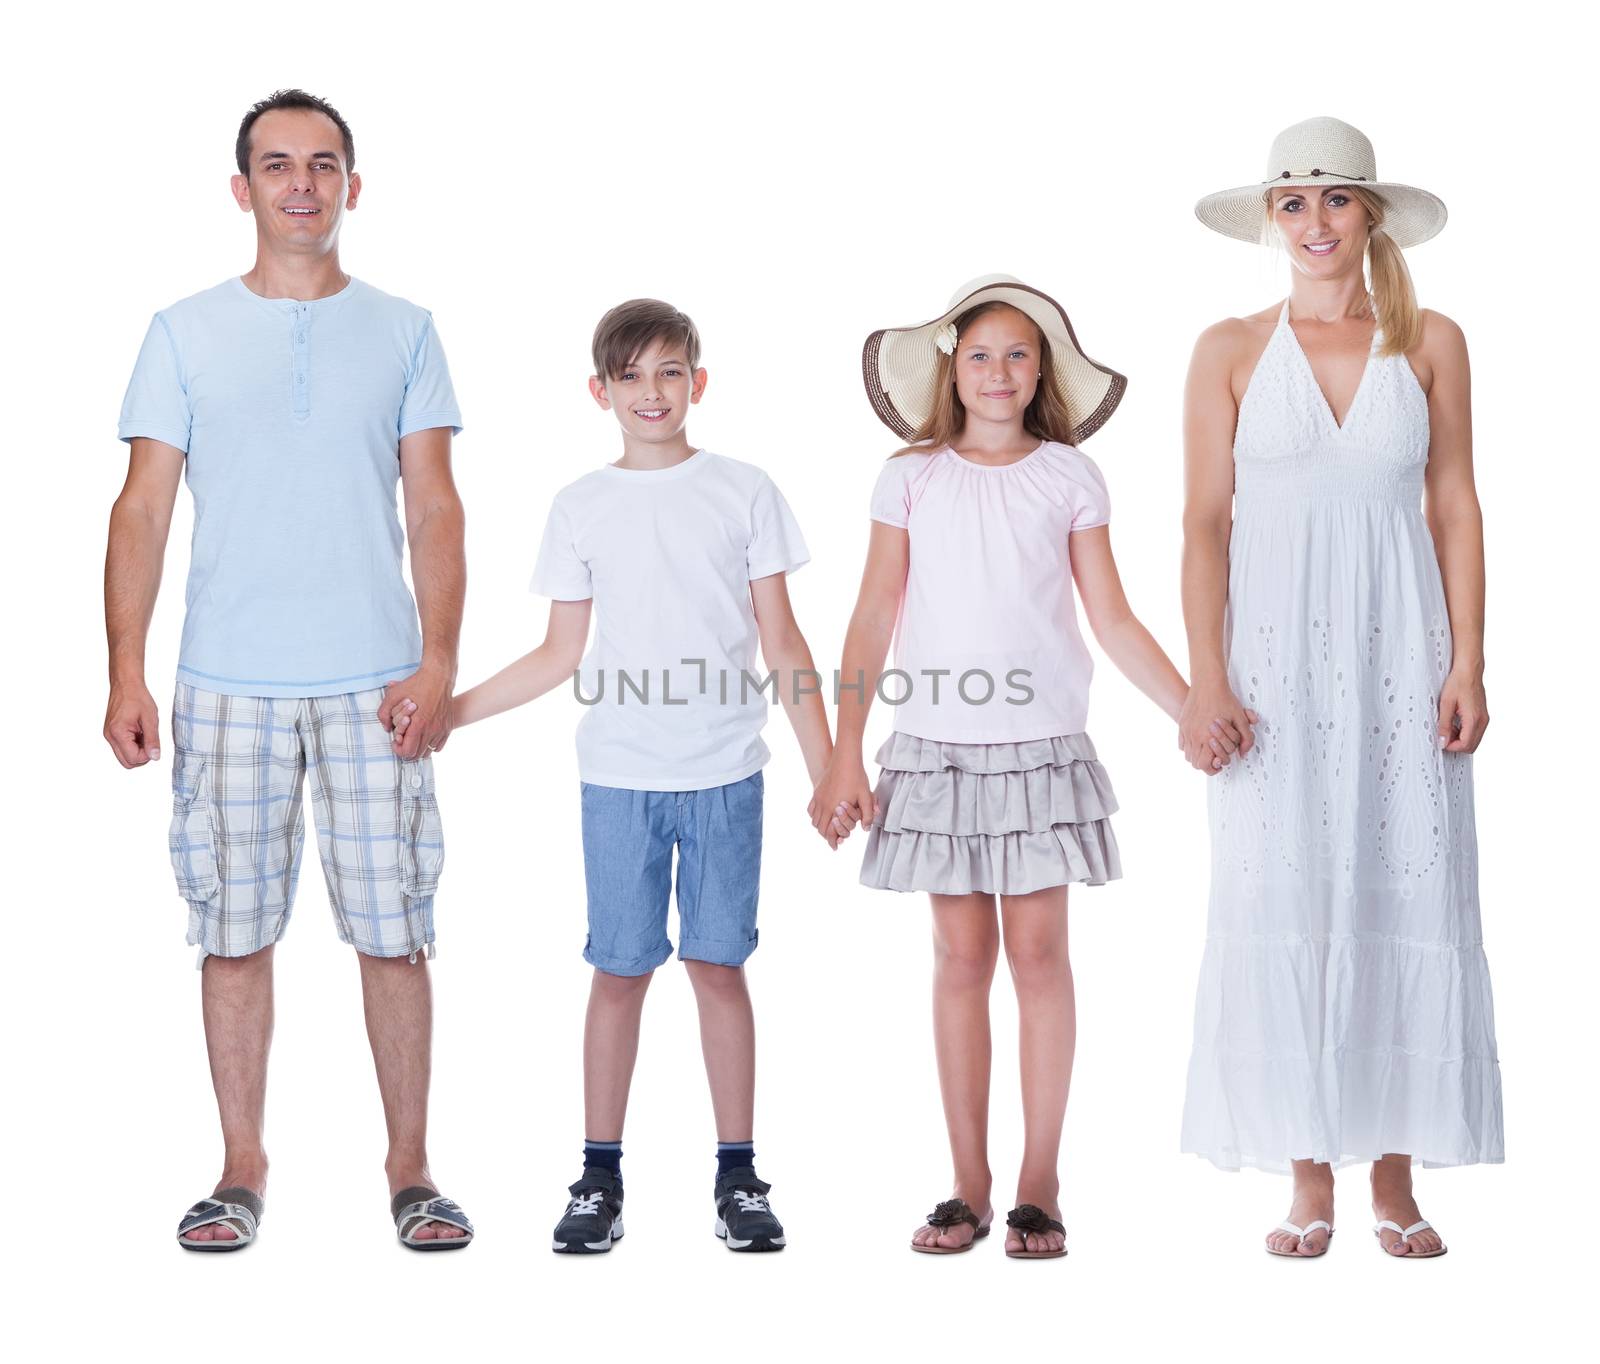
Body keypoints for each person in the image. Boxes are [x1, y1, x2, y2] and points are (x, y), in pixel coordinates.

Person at [106, 88, 473, 1251]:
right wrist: (127, 668)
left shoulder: (407, 327)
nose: (301, 184)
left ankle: (411, 1170)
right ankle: (239, 1167)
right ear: (243, 189)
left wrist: (440, 659)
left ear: (353, 187)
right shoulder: (182, 330)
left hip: (376, 681)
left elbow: (436, 505)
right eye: (277, 165)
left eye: (323, 164)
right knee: (231, 932)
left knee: (393, 929)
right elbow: (141, 510)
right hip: (227, 681)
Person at [395, 298, 833, 1253]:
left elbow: (784, 641)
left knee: (719, 967)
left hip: (726, 776)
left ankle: (738, 1176)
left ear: (698, 383)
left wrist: (828, 766)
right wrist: (452, 711)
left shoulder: (744, 490)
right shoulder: (580, 506)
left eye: (670, 371)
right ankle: (599, 1174)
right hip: (620, 784)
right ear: (600, 391)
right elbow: (559, 654)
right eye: (631, 375)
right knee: (619, 971)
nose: (652, 391)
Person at [809, 276, 1189, 1258]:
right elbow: (871, 612)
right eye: (979, 352)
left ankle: (1039, 1178)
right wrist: (844, 750)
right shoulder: (909, 476)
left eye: (1018, 354)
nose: (997, 371)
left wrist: (1189, 702)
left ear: (1042, 371)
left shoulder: (1068, 476)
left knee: (1038, 957)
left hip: (1038, 748)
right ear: (950, 366)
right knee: (958, 960)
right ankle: (966, 1182)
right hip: (934, 747)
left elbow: (1109, 615)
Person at [1178, 116, 1503, 1259]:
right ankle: (1307, 1177)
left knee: (1395, 883)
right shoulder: (1224, 347)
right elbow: (1204, 522)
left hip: (1394, 653)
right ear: (1271, 219)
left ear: (1369, 214)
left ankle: (1396, 1178)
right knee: (1284, 890)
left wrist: (1465, 658)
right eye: (1292, 202)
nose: (1313, 222)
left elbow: (1454, 504)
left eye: (1334, 200)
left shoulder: (1428, 341)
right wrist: (1202, 677)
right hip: (1267, 664)